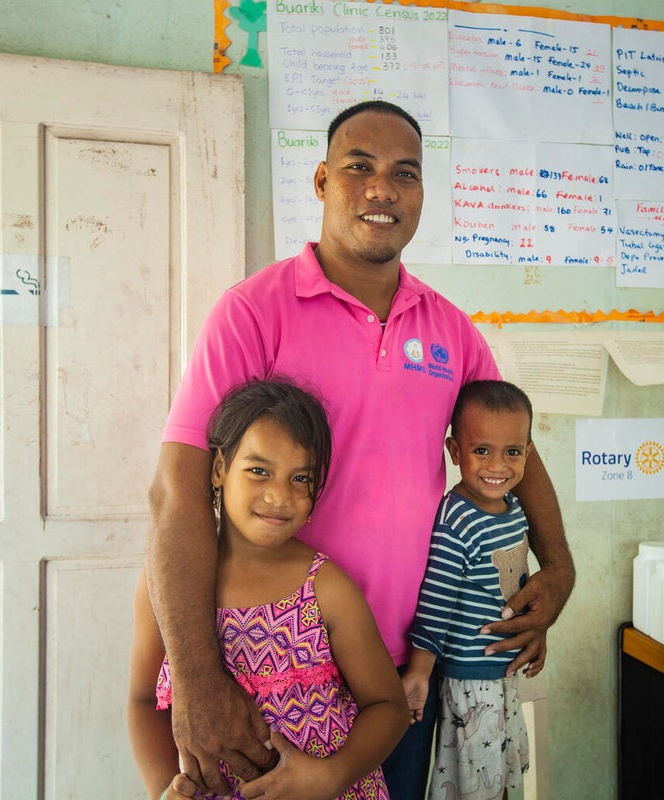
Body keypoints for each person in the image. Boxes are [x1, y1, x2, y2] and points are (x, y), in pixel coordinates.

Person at [145, 99, 575, 800]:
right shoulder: (254, 312)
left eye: (404, 173)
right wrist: (198, 679)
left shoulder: (451, 332)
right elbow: (177, 492)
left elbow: (510, 451)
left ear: (422, 195)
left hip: (397, 683)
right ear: (320, 182)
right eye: (359, 168)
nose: (382, 188)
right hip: (267, 678)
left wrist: (557, 569)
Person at [129, 379, 409, 800]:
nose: (280, 495)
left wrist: (331, 776)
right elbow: (141, 701)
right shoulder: (168, 584)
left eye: (300, 478)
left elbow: (389, 708)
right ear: (220, 468)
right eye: (259, 471)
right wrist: (162, 789)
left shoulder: (324, 587)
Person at [402, 380, 537, 800]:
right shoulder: (456, 518)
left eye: (512, 452)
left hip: (502, 674)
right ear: (455, 451)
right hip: (470, 681)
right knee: (474, 787)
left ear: (528, 453)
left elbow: (513, 583)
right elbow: (436, 602)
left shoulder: (513, 507)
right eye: (482, 451)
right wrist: (420, 673)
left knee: (499, 779)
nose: (498, 465)